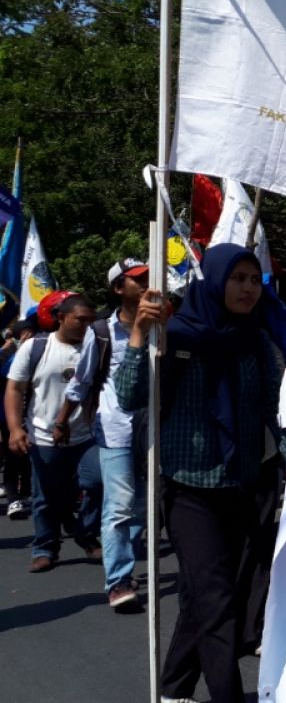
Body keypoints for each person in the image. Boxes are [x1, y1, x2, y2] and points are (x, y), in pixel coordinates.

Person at [115, 244, 286, 703]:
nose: (246, 288)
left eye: (252, 280)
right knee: (218, 600)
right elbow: (129, 396)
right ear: (215, 281)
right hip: (187, 487)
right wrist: (141, 334)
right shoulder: (175, 334)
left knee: (205, 596)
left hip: (243, 484)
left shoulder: (256, 339)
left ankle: (174, 688)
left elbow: (274, 407)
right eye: (237, 278)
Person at [59, 259, 149, 610]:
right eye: (136, 280)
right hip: (117, 431)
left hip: (156, 432)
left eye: (147, 279)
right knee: (120, 507)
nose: (144, 285)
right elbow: (81, 383)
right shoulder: (101, 333)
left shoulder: (163, 324)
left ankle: (126, 566)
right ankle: (118, 582)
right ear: (117, 289)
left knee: (142, 508)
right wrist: (63, 421)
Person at [6, 293, 103, 573]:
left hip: (87, 436)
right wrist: (15, 429)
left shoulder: (97, 347)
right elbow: (14, 389)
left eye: (91, 321)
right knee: (45, 496)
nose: (87, 325)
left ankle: (85, 533)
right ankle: (45, 548)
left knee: (97, 482)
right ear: (61, 318)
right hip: (43, 437)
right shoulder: (36, 347)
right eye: (81, 320)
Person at [1, 316, 36, 519]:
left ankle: (25, 495)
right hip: (8, 415)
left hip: (34, 414)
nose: (29, 335)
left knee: (28, 459)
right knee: (12, 456)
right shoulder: (10, 355)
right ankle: (13, 498)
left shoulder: (40, 350)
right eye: (25, 332)